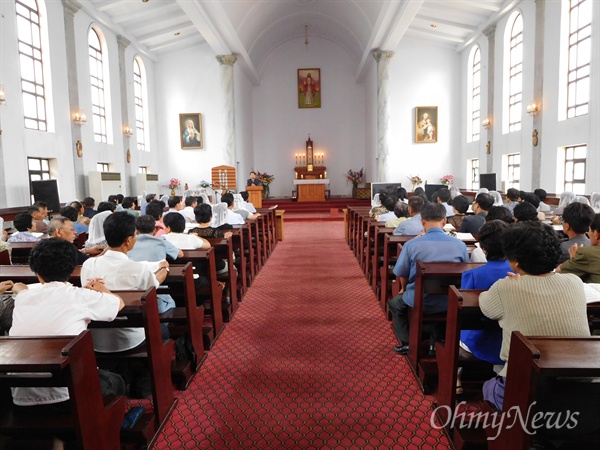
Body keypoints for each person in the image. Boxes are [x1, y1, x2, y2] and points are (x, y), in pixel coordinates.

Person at [479, 221, 590, 411]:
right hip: (578, 386)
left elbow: (486, 307)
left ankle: (508, 436)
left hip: (525, 387)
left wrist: (514, 283)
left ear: (515, 262)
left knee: (488, 387)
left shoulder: (505, 287)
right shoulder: (574, 282)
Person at [9, 238, 125, 408]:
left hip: (21, 396)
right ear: (72, 269)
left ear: (37, 273)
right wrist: (101, 289)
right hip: (68, 395)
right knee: (116, 381)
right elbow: (118, 304)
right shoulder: (80, 296)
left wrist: (20, 289)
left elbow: (26, 293)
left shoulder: (22, 298)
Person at [81, 212, 170, 353]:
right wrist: (164, 267)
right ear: (128, 240)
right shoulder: (138, 269)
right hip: (130, 339)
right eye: (135, 235)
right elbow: (155, 283)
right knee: (163, 330)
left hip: (96, 339)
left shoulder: (88, 265)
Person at [389, 203, 469, 355]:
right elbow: (463, 270)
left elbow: (401, 272)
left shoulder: (411, 245)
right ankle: (435, 341)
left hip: (418, 299)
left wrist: (404, 289)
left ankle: (407, 342)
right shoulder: (460, 245)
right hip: (449, 299)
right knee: (442, 309)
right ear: (444, 221)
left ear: (422, 221)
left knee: (395, 304)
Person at [458, 221, 510, 367]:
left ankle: (457, 377)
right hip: (511, 338)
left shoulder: (472, 275)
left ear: (483, 248)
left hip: (480, 338)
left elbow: (464, 311)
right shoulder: (519, 272)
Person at [128, 215, 181, 315]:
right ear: (154, 228)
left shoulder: (129, 243)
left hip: (132, 293)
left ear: (136, 230)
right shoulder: (160, 241)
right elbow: (180, 254)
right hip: (157, 293)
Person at [557, 213, 600, 283]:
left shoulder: (586, 253)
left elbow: (559, 271)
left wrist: (573, 259)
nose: (588, 234)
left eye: (589, 230)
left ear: (596, 234)